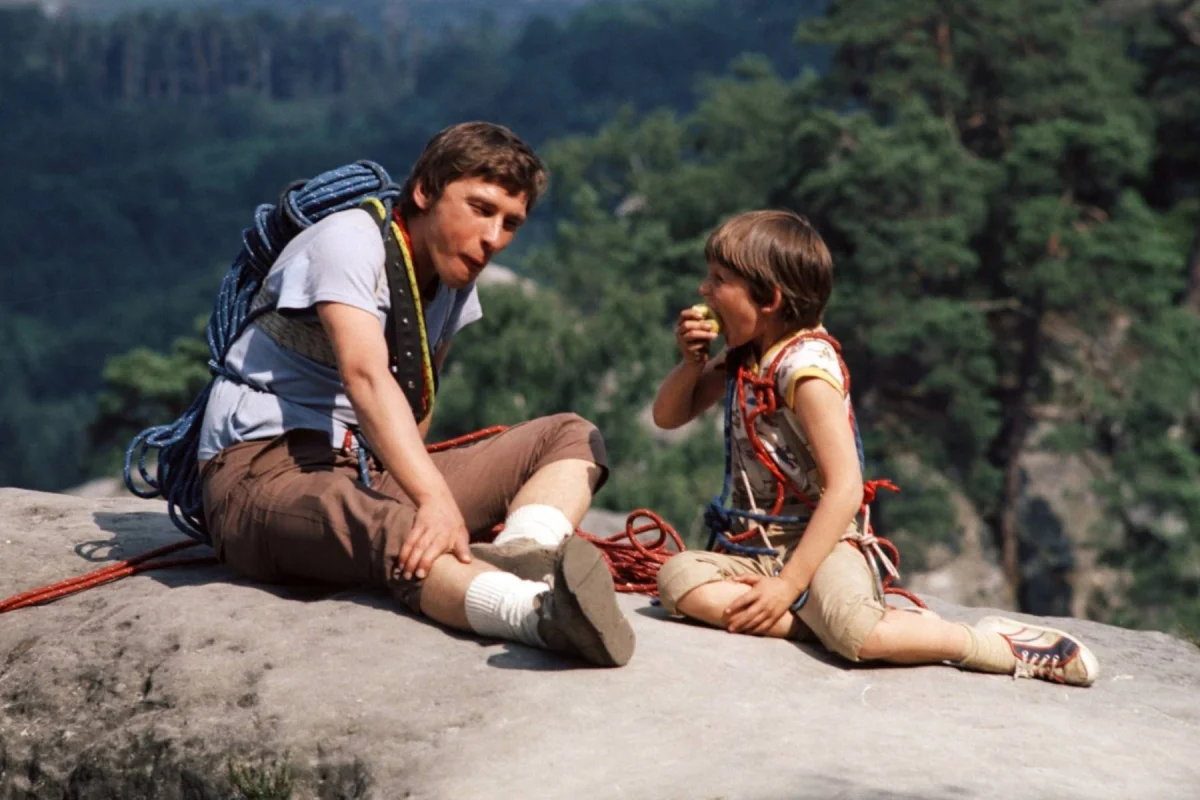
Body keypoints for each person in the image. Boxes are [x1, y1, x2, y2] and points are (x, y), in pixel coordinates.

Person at [197, 122, 634, 667]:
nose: (494, 239)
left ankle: (522, 555)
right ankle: (539, 615)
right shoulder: (348, 240)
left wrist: (420, 491)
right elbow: (366, 377)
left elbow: (416, 402)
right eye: (480, 208)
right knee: (404, 531)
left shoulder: (451, 279)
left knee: (570, 436)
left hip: (358, 468)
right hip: (259, 471)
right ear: (425, 190)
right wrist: (432, 501)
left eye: (510, 223)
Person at [650, 209, 1098, 686]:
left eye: (719, 280)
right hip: (755, 544)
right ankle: (822, 622)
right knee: (678, 579)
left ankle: (991, 645)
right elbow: (669, 415)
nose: (703, 290)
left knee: (859, 639)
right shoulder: (748, 353)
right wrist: (690, 365)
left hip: (823, 543)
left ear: (769, 299)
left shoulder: (806, 371)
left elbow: (845, 489)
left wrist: (786, 586)